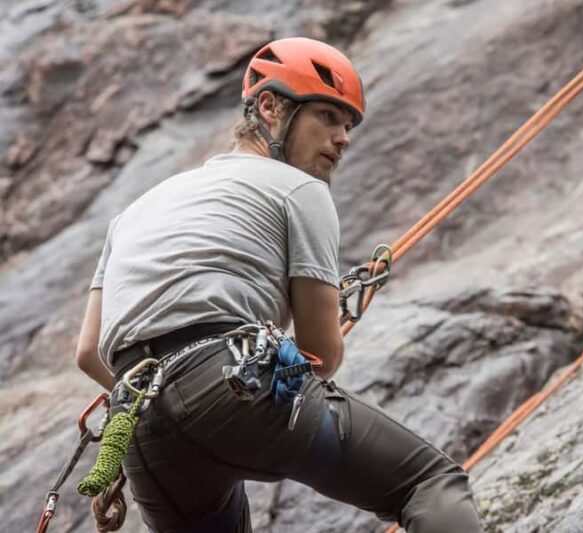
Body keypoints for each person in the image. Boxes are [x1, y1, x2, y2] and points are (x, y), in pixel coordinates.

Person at [75, 37, 483, 532]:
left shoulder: (133, 213)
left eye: (348, 125)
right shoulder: (300, 190)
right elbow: (319, 354)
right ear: (269, 107)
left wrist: (166, 397)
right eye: (327, 117)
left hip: (141, 430)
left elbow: (89, 351)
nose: (343, 138)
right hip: (234, 389)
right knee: (428, 484)